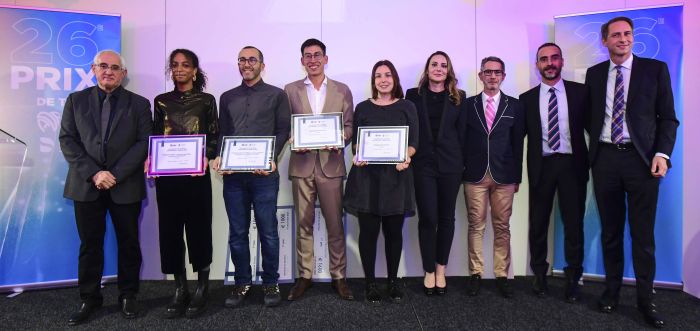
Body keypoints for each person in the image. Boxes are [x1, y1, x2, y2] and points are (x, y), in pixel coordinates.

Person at [585, 17, 678, 328]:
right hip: (605, 161)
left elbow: (668, 119)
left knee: (643, 236)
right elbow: (590, 116)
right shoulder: (595, 74)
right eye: (615, 35)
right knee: (610, 232)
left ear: (632, 37)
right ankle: (611, 292)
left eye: (627, 34)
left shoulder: (655, 70)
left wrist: (662, 154)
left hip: (642, 163)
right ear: (605, 41)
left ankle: (644, 299)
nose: (622, 39)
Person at [59, 50, 152, 325]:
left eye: (114, 67)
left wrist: (114, 174)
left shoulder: (139, 104)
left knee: (129, 242)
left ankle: (128, 295)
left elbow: (143, 142)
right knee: (90, 244)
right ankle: (89, 298)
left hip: (125, 185)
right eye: (103, 66)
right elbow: (68, 140)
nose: (108, 71)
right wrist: (95, 173)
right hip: (86, 185)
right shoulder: (76, 101)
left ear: (123, 74)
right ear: (93, 69)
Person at [212, 46, 291, 308]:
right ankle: (242, 282)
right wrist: (221, 157)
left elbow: (283, 130)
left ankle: (270, 281)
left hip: (264, 176)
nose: (247, 64)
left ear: (262, 65)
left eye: (252, 60)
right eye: (242, 60)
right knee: (237, 232)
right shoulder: (226, 97)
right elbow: (223, 132)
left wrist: (272, 157)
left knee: (268, 232)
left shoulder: (277, 95)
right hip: (234, 178)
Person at [343, 60, 418, 305]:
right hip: (367, 180)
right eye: (378, 76)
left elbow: (414, 141)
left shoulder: (407, 106)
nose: (383, 80)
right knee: (368, 233)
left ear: (394, 79)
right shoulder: (363, 107)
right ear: (373, 81)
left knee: (394, 233)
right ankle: (370, 284)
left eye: (387, 75)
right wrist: (358, 153)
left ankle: (393, 282)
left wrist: (407, 156)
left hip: (396, 177)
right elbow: (357, 142)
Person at [284, 38, 354, 301]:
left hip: (331, 166)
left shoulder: (342, 90)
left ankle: (339, 277)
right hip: (301, 166)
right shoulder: (289, 90)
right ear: (302, 61)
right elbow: (286, 125)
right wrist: (294, 138)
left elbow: (349, 127)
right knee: (303, 224)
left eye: (317, 55)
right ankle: (305, 276)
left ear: (326, 59)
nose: (312, 60)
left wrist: (337, 139)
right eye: (307, 56)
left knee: (335, 224)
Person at [520, 42, 590, 301]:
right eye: (543, 59)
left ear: (562, 61)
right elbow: (517, 141)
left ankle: (574, 277)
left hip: (572, 166)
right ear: (537, 65)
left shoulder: (582, 93)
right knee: (538, 224)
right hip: (543, 167)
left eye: (553, 58)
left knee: (574, 225)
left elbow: (594, 130)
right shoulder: (526, 99)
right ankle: (539, 273)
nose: (549, 63)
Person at [152, 49, 218, 318]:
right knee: (169, 232)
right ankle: (180, 288)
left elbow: (214, 135)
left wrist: (206, 157)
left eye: (185, 65)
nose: (179, 69)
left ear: (194, 70)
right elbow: (154, 136)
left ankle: (202, 287)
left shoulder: (206, 100)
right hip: (167, 180)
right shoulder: (160, 101)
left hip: (196, 178)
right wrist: (151, 160)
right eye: (175, 65)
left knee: (199, 230)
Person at [462, 56, 525, 299]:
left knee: (502, 226)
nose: (492, 76)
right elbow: (462, 140)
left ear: (503, 76)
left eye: (497, 72)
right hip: (475, 175)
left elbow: (518, 144)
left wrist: (517, 176)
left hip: (505, 175)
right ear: (480, 76)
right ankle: (475, 273)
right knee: (475, 225)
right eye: (487, 72)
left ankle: (501, 275)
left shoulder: (515, 106)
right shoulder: (468, 105)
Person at [405, 51, 467, 296]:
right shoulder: (413, 96)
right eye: (434, 64)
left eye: (444, 65)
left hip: (451, 166)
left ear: (448, 70)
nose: (439, 68)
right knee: (428, 218)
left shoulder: (459, 97)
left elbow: (462, 135)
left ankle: (441, 269)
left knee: (447, 219)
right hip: (423, 166)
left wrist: (462, 165)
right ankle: (428, 270)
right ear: (427, 68)